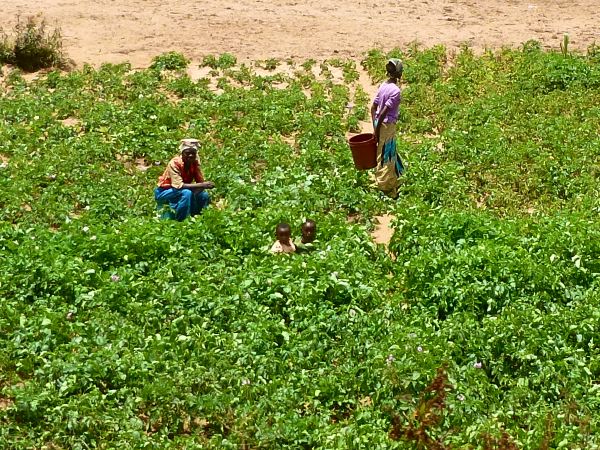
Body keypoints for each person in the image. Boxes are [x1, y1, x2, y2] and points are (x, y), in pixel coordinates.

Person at [154, 138, 215, 221]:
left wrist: (200, 188)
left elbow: (200, 181)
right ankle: (182, 221)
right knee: (187, 193)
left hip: (181, 190)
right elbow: (178, 186)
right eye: (187, 153)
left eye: (193, 153)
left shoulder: (194, 163)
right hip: (164, 191)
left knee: (203, 195)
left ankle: (201, 218)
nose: (190, 156)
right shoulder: (174, 163)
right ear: (182, 154)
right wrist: (202, 185)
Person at [370, 58, 405, 198]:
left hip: (380, 124)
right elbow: (384, 111)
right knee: (386, 156)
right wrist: (376, 131)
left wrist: (375, 124)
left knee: (388, 152)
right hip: (387, 126)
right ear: (399, 74)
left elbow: (374, 108)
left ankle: (394, 182)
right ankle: (383, 187)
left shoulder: (383, 86)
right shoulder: (395, 91)